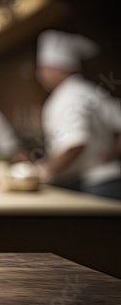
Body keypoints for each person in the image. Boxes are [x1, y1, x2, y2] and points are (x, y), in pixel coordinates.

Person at [35, 29, 121, 200]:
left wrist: (44, 171)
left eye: (44, 69)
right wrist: (113, 153)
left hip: (93, 187)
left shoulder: (65, 97)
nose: (39, 75)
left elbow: (75, 144)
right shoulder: (92, 91)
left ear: (60, 69)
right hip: (112, 180)